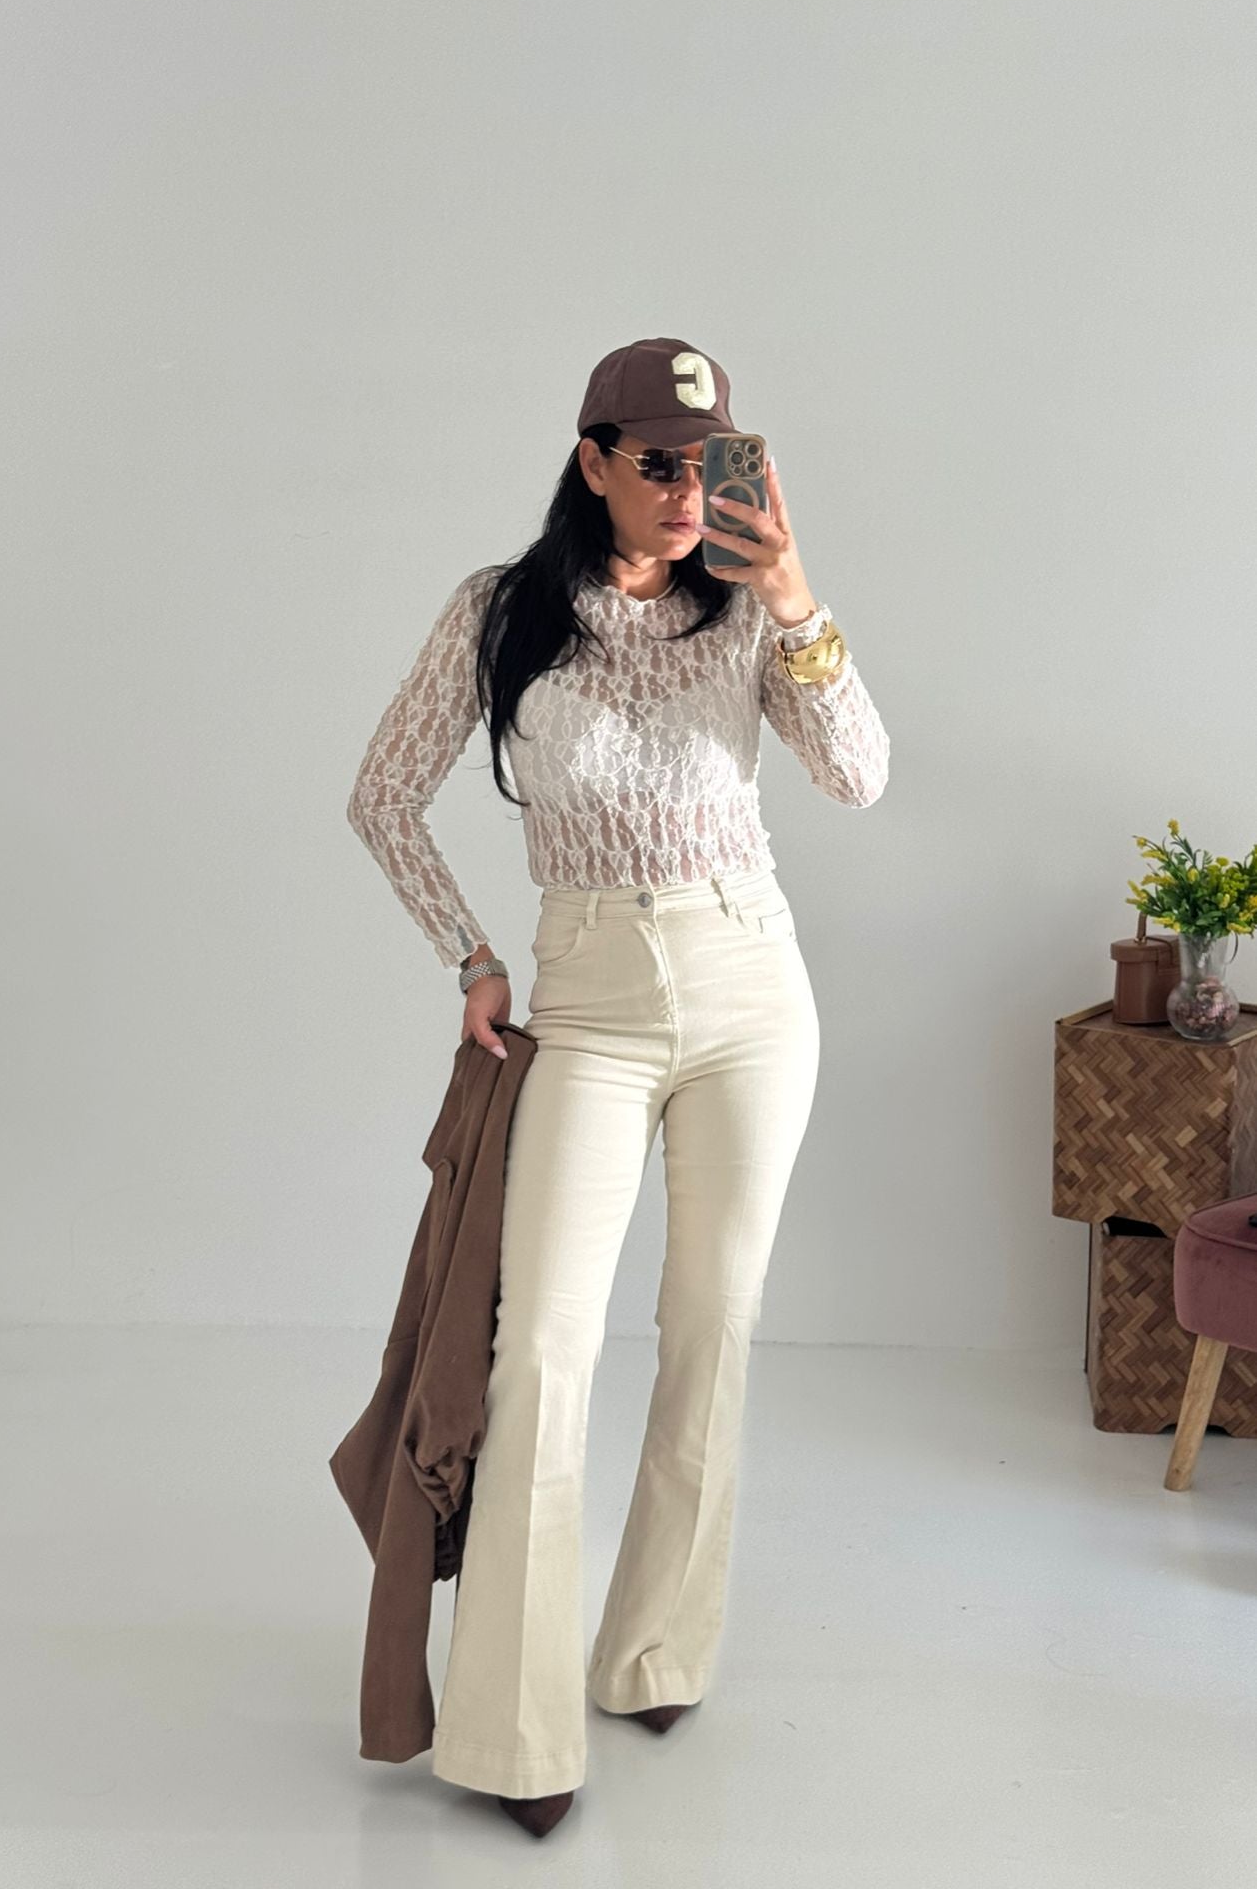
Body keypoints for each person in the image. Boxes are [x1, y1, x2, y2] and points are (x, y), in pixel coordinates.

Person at [346, 335, 890, 1837]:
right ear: (590, 460)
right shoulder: (502, 611)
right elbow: (381, 795)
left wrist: (794, 596)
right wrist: (471, 958)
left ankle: (656, 1648)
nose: (684, 490)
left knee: (713, 1325)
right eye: (655, 462)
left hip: (750, 987)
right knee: (543, 1348)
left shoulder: (747, 610)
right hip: (586, 1001)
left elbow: (858, 775)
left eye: (706, 463)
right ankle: (512, 1731)